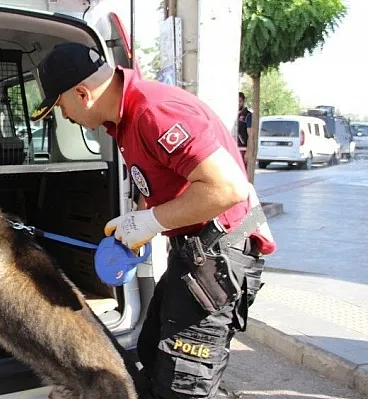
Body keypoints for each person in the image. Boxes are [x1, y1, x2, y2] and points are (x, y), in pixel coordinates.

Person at [30, 42, 276, 399]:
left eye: (60, 106)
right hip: (194, 255)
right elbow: (163, 179)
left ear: (82, 93)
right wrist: (139, 221)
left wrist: (151, 221)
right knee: (149, 360)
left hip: (218, 257)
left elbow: (227, 189)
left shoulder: (153, 111)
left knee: (182, 386)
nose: (64, 115)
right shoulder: (125, 121)